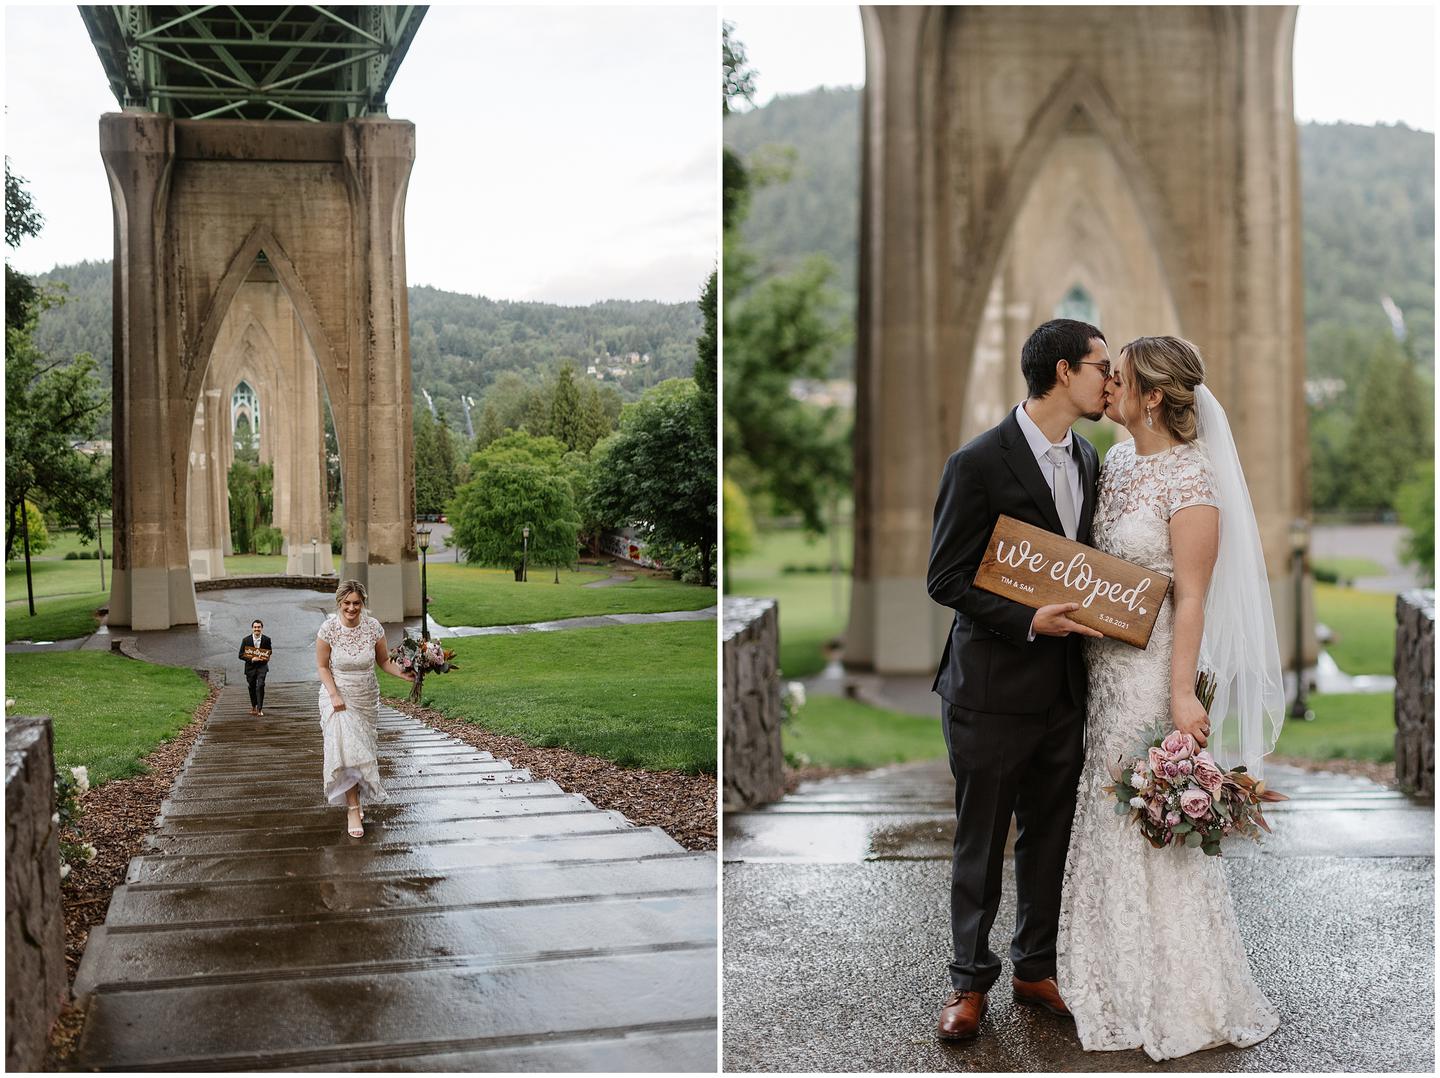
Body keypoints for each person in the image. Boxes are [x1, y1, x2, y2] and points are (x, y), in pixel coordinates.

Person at [1056, 336, 1282, 1061]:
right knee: (1105, 809)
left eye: (1120, 377)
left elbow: (1192, 599)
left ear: (1153, 396)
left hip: (1153, 673)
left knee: (1150, 818)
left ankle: (1182, 990)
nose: (1110, 385)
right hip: (1101, 671)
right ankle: (1109, 976)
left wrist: (1183, 693)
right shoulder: (1116, 462)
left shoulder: (1192, 480)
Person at [926, 319, 1108, 1042]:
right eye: (1102, 367)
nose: (1110, 380)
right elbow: (946, 577)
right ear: (1064, 372)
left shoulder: (1091, 458)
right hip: (991, 690)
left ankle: (1036, 968)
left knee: (1049, 838)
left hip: (1065, 692)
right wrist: (1033, 619)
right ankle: (968, 983)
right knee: (981, 841)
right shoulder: (976, 462)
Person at [316, 580, 415, 838]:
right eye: (347, 603)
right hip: (338, 697)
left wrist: (403, 674)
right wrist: (334, 694)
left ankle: (355, 797)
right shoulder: (328, 629)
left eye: (356, 603)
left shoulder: (373, 628)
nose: (351, 608)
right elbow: (323, 667)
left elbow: (383, 661)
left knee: (360, 753)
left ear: (363, 603)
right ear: (339, 603)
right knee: (347, 752)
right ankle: (352, 808)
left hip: (366, 697)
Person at [239, 619, 272, 716]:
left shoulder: (267, 639)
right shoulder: (246, 640)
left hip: (262, 666)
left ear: (262, 628)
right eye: (255, 627)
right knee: (251, 687)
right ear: (252, 628)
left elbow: (269, 652)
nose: (257, 629)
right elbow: (241, 655)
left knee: (261, 685)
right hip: (250, 667)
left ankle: (260, 708)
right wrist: (252, 659)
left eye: (259, 627)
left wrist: (266, 657)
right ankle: (254, 705)